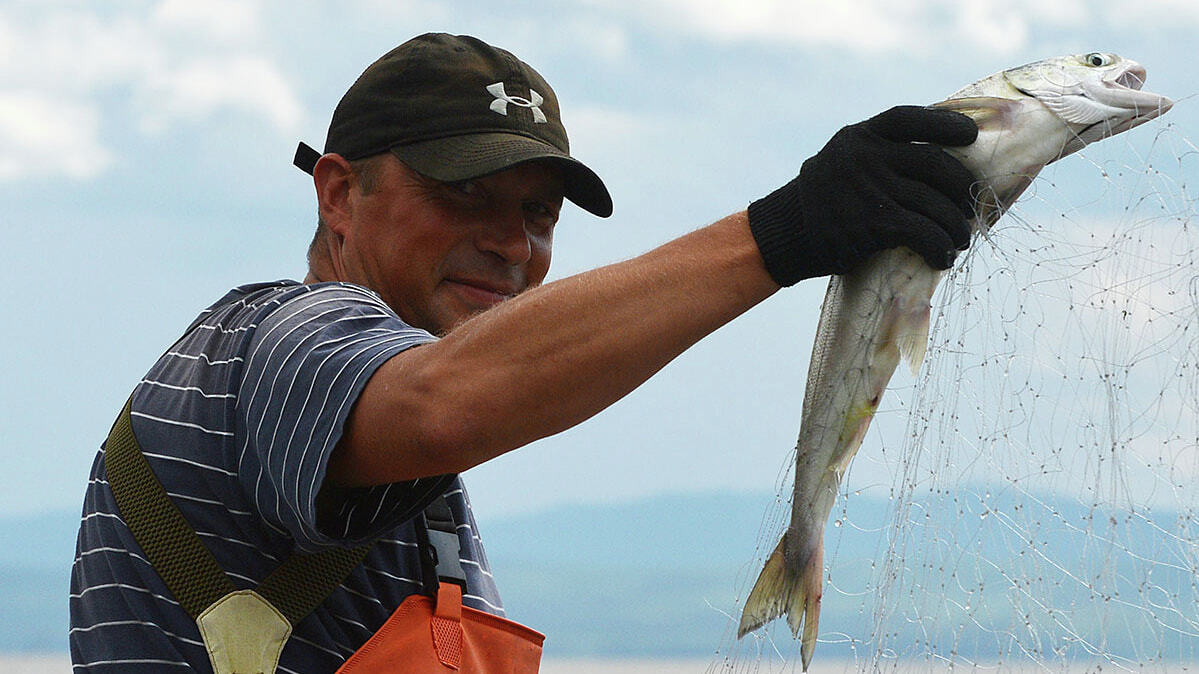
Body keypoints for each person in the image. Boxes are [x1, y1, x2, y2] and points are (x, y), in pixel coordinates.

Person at [69, 32, 977, 672]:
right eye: (466, 195)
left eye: (538, 214)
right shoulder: (281, 342)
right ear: (338, 195)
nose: (512, 243)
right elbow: (441, 405)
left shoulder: (375, 442)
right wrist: (777, 237)